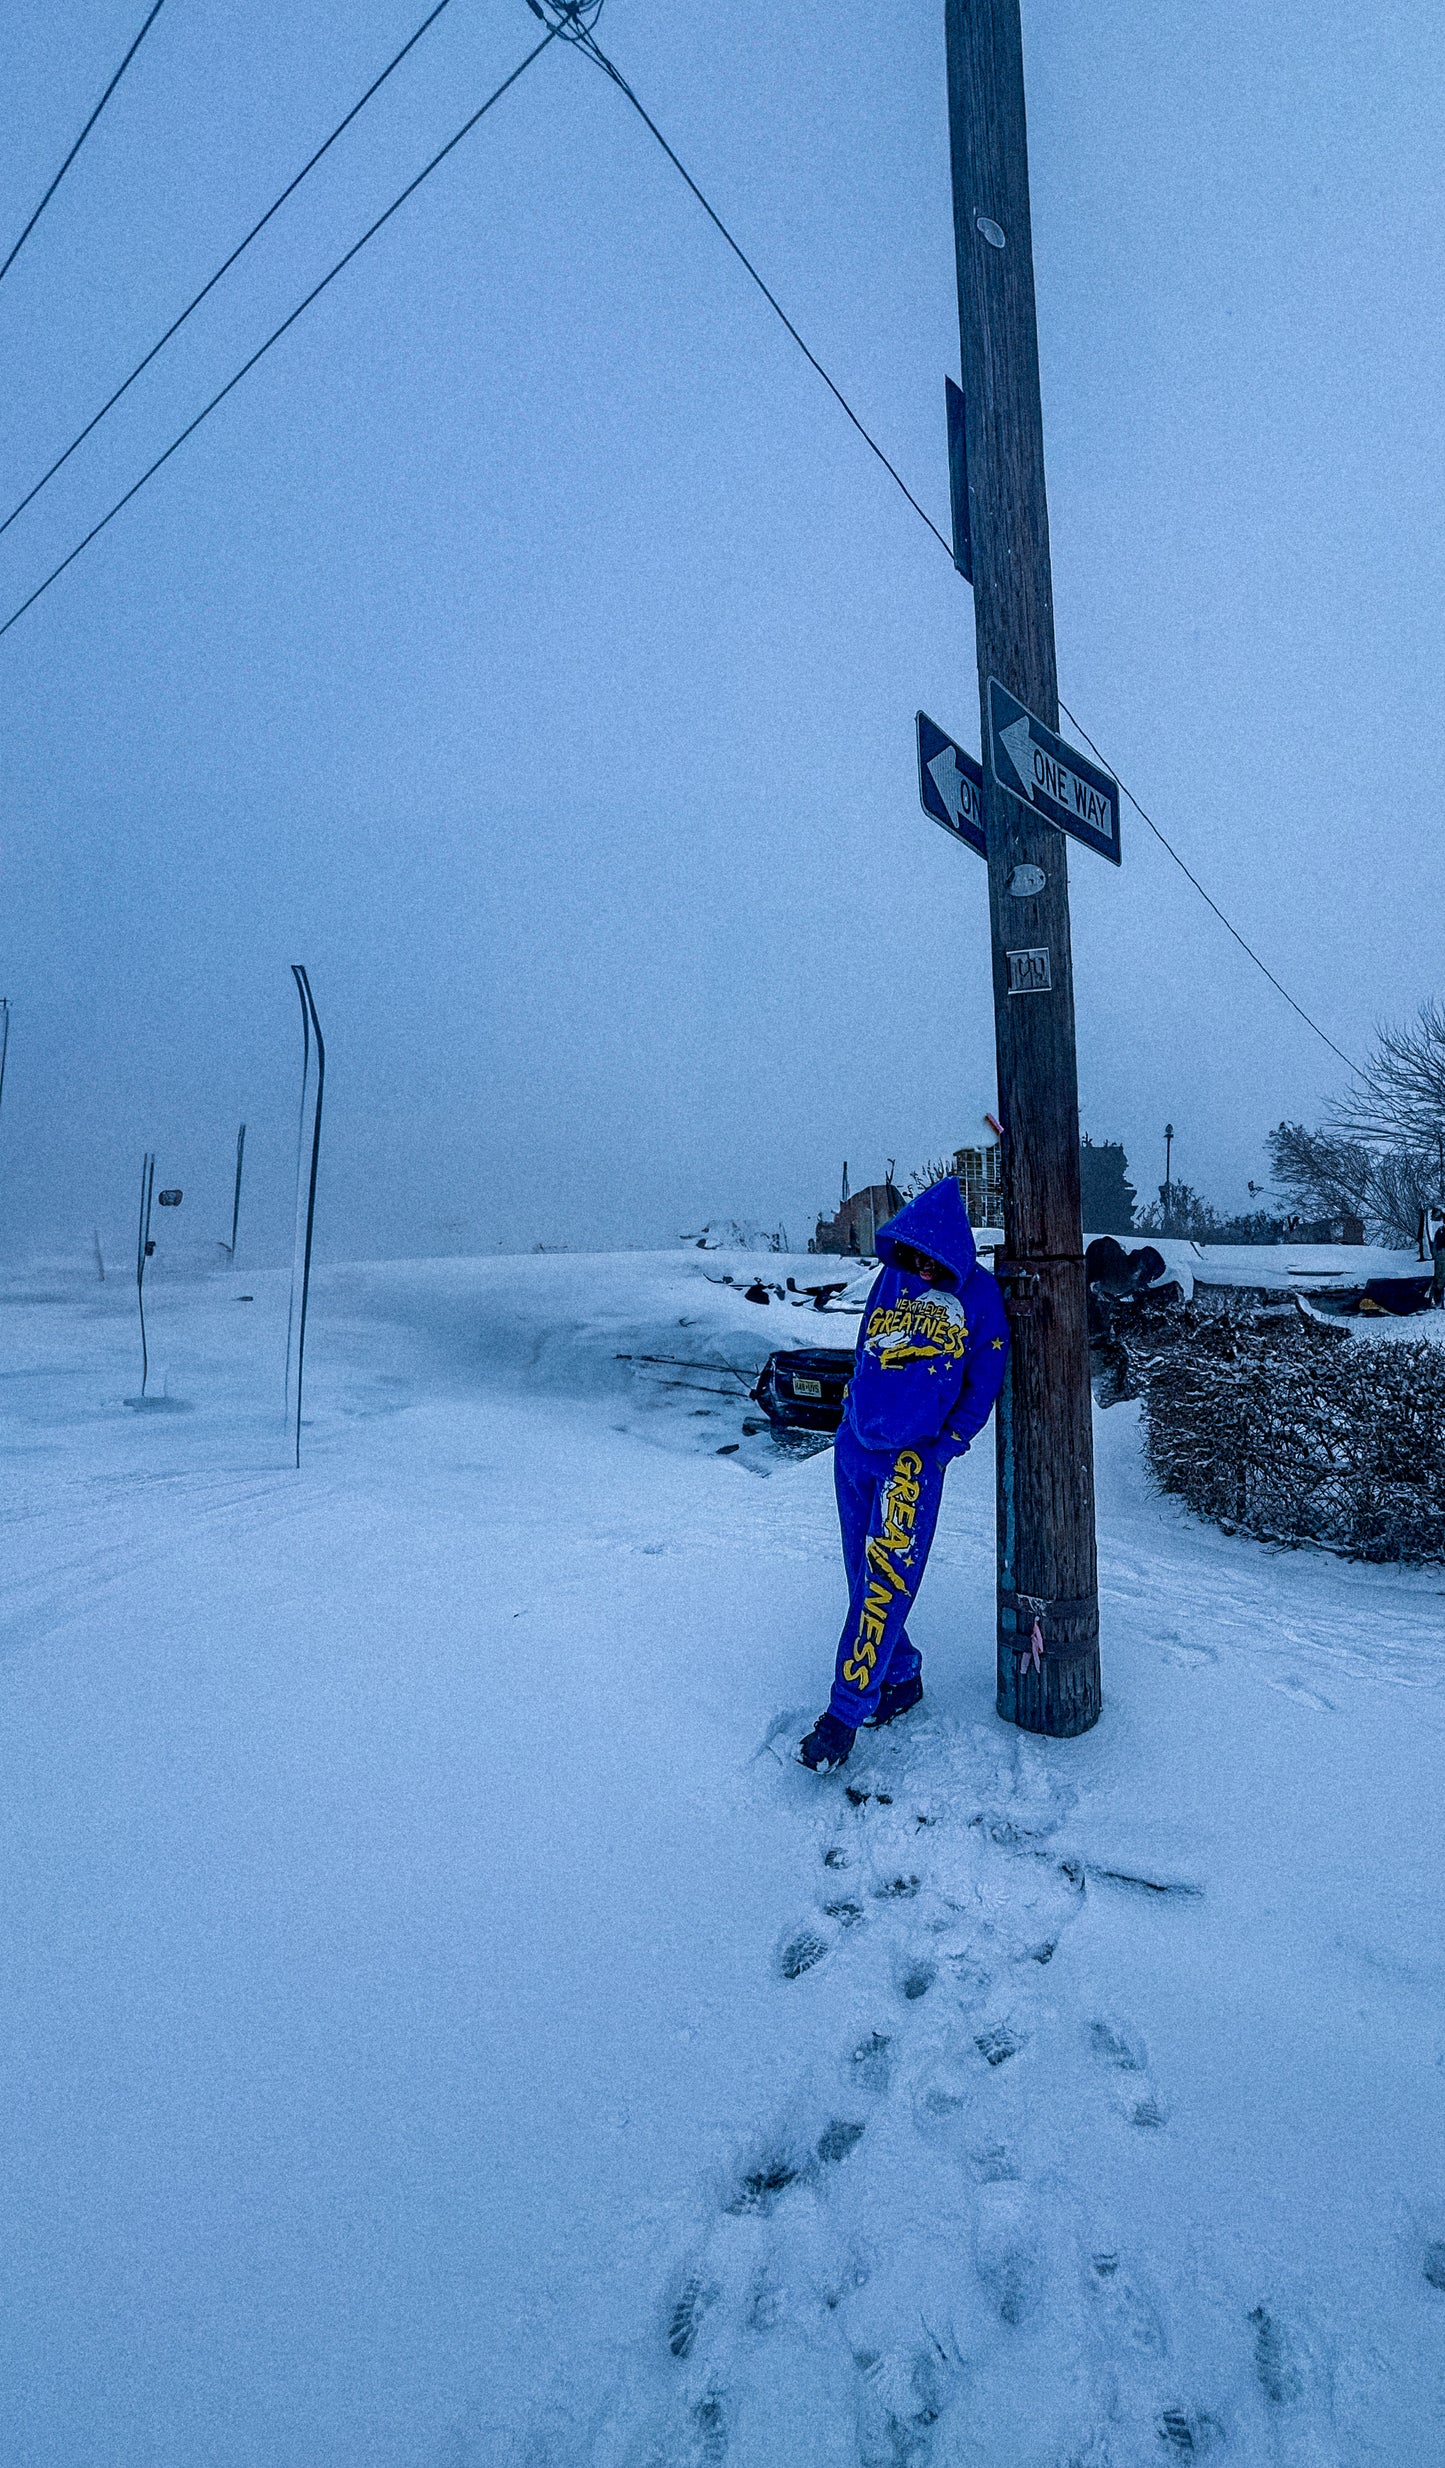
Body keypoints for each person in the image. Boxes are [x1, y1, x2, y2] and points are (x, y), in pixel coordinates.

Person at [799, 1175, 1010, 1772]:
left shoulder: (981, 1297)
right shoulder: (892, 1277)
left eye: (929, 1258)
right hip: (855, 1446)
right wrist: (850, 1413)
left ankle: (844, 1715)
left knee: (884, 1583)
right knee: (858, 1576)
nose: (917, 1268)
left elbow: (983, 1383)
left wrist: (945, 1447)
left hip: (912, 1463)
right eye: (909, 1255)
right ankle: (901, 1675)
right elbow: (869, 1340)